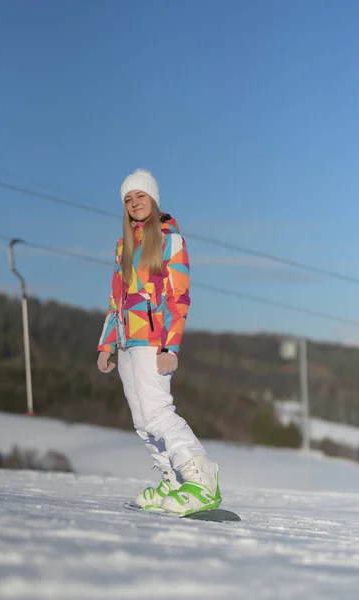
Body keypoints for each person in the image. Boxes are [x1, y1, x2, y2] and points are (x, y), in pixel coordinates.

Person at [97, 169, 221, 515]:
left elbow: (178, 298)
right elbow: (115, 300)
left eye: (140, 196)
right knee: (141, 418)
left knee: (157, 411)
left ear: (153, 199)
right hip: (126, 341)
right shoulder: (124, 246)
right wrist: (107, 344)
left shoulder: (170, 241)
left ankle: (202, 478)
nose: (135, 203)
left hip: (153, 339)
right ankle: (173, 479)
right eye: (128, 199)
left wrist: (171, 347)